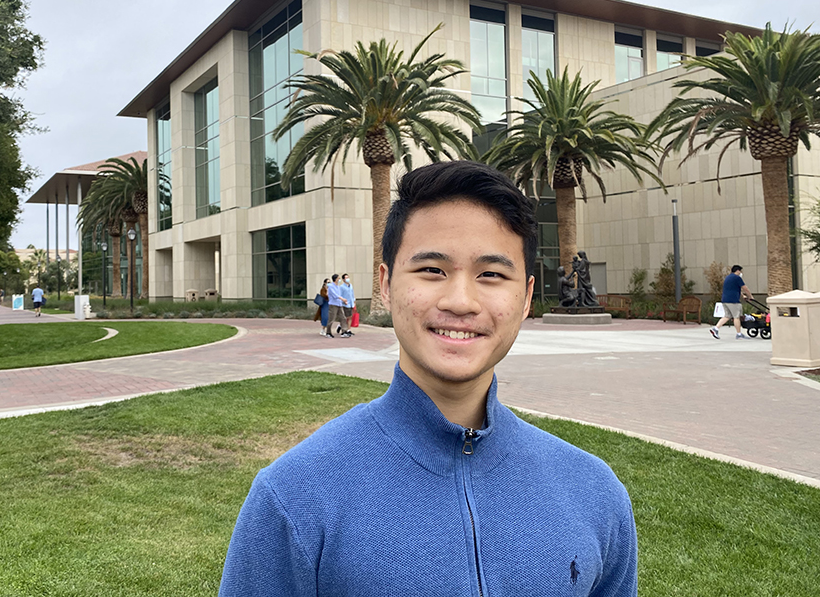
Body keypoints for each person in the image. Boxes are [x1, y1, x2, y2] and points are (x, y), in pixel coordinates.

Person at [219, 161, 637, 596]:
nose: (461, 301)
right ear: (386, 283)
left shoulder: (594, 493)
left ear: (527, 296)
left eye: (491, 274)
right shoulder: (293, 497)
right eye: (432, 270)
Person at [710, 265, 754, 340]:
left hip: (725, 300)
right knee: (736, 317)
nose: (741, 273)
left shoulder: (728, 277)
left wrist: (742, 295)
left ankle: (716, 328)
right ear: (737, 271)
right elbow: (745, 288)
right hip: (733, 301)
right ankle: (739, 334)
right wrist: (750, 296)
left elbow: (733, 288)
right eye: (740, 271)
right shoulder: (737, 278)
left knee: (727, 316)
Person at [325, 274, 349, 339]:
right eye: (338, 278)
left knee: (343, 318)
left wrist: (344, 301)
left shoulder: (338, 287)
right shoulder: (331, 287)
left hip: (339, 304)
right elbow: (335, 295)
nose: (339, 280)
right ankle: (328, 332)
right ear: (335, 279)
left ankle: (344, 331)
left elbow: (339, 295)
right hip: (333, 305)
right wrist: (343, 299)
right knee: (331, 319)